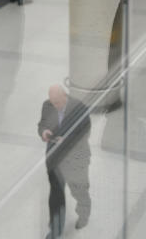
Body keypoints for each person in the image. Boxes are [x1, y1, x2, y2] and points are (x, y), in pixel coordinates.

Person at [38, 85, 91, 238]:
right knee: (56, 195)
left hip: (75, 159)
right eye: (53, 102)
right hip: (55, 160)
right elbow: (42, 124)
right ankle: (56, 228)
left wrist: (67, 141)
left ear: (65, 96)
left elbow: (85, 134)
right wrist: (44, 132)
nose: (55, 106)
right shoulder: (47, 105)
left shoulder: (79, 108)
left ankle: (84, 213)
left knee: (79, 190)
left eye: (58, 103)